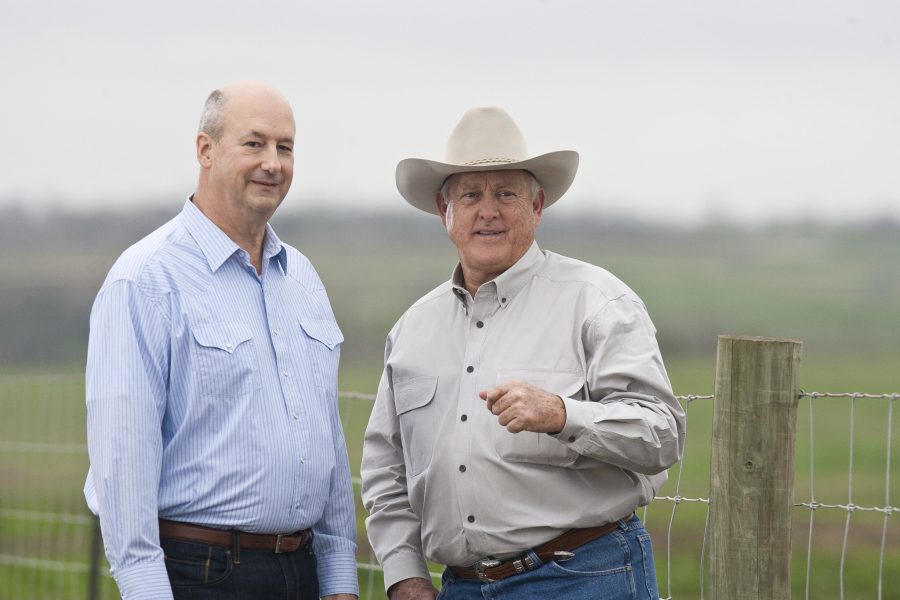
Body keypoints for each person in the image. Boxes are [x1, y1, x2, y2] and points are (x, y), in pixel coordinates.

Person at [360, 107, 685, 599]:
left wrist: (561, 414)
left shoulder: (597, 302)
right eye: (470, 194)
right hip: (462, 587)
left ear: (537, 206)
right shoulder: (412, 329)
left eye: (505, 193)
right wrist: (404, 573)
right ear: (444, 210)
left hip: (583, 577)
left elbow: (662, 435)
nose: (487, 211)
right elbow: (386, 469)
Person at [84, 81, 358, 600]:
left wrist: (339, 576)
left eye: (285, 147)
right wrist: (145, 589)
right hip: (197, 574)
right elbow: (123, 454)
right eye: (253, 143)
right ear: (205, 150)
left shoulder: (303, 280)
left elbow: (327, 437)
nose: (272, 163)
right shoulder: (146, 279)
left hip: (300, 572)